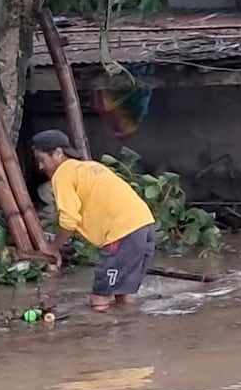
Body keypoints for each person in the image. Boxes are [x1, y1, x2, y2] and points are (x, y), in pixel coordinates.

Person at [30, 130, 157, 312]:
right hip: (145, 226)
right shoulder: (89, 167)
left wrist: (53, 249)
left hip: (122, 233)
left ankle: (101, 337)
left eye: (42, 160)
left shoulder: (63, 174)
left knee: (99, 301)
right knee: (124, 295)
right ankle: (130, 336)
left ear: (58, 153)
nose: (41, 167)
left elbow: (69, 221)